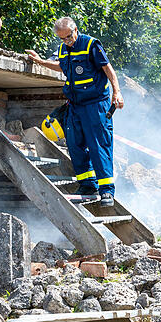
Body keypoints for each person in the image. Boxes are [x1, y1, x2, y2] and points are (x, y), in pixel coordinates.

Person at [26, 17, 124, 207]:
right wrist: (40, 61)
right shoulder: (63, 49)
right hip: (74, 106)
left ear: (75, 30)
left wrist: (117, 92)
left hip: (96, 105)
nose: (67, 41)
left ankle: (106, 192)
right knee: (74, 145)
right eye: (62, 39)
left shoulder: (90, 44)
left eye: (69, 37)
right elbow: (61, 66)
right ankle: (87, 184)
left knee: (99, 145)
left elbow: (108, 68)